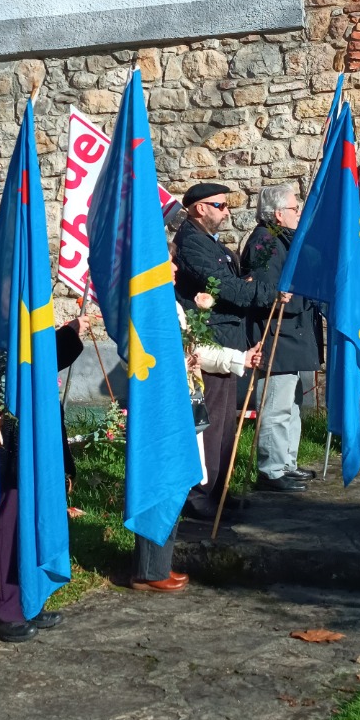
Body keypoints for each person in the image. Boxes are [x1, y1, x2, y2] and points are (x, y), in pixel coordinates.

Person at [132, 246, 262, 592]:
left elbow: (195, 351)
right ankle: (148, 569)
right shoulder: (149, 306)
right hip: (161, 407)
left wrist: (240, 358)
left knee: (174, 479)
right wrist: (177, 364)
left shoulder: (171, 305)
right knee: (162, 480)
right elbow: (146, 356)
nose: (175, 267)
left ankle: (158, 564)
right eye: (167, 261)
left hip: (181, 403)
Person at [172, 181, 283, 520]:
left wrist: (247, 286)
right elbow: (225, 287)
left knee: (225, 423)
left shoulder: (210, 242)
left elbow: (232, 282)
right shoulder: (191, 244)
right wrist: (269, 294)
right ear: (199, 208)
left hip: (227, 338)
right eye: (220, 206)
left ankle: (219, 489)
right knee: (210, 423)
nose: (227, 212)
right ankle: (199, 494)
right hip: (210, 341)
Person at [0, 316, 84, 641]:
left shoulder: (18, 295)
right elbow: (11, 364)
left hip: (32, 423)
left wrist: (68, 336)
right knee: (8, 517)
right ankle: (5, 605)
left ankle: (29, 596)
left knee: (29, 514)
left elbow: (37, 362)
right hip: (6, 427)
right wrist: (67, 336)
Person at [241, 183, 320, 488]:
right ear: (277, 214)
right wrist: (306, 296)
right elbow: (267, 294)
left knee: (292, 404)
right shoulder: (264, 242)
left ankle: (287, 462)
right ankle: (271, 470)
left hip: (291, 335)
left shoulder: (282, 240)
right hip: (276, 336)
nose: (299, 212)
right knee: (275, 406)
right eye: (294, 208)